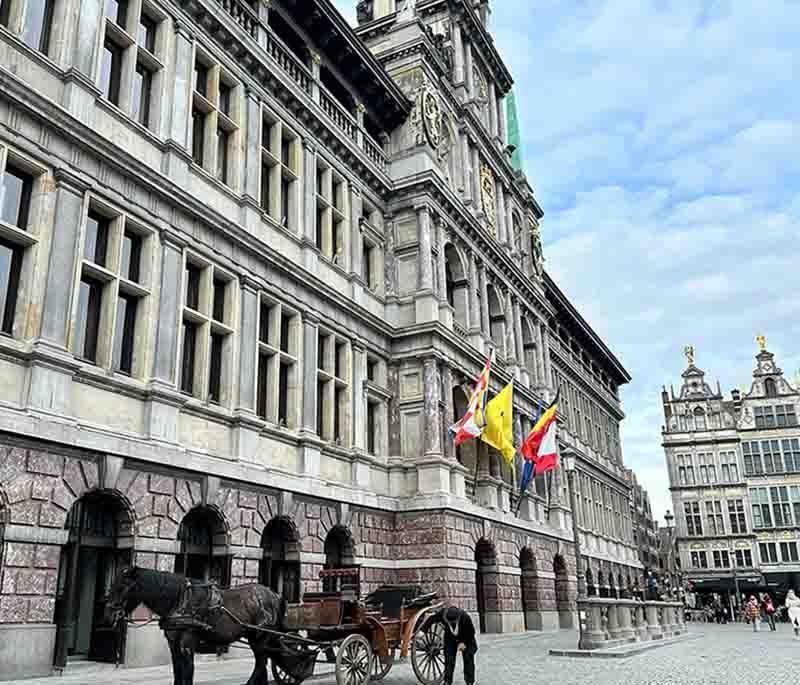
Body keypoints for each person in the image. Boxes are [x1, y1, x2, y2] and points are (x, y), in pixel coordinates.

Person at [423, 606, 478, 685]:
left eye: (453, 622)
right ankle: (447, 681)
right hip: (450, 638)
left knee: (468, 659)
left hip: (466, 638)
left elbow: (471, 632)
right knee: (449, 659)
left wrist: (463, 642)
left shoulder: (465, 617)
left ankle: (470, 681)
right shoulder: (442, 614)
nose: (452, 623)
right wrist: (423, 630)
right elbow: (431, 619)